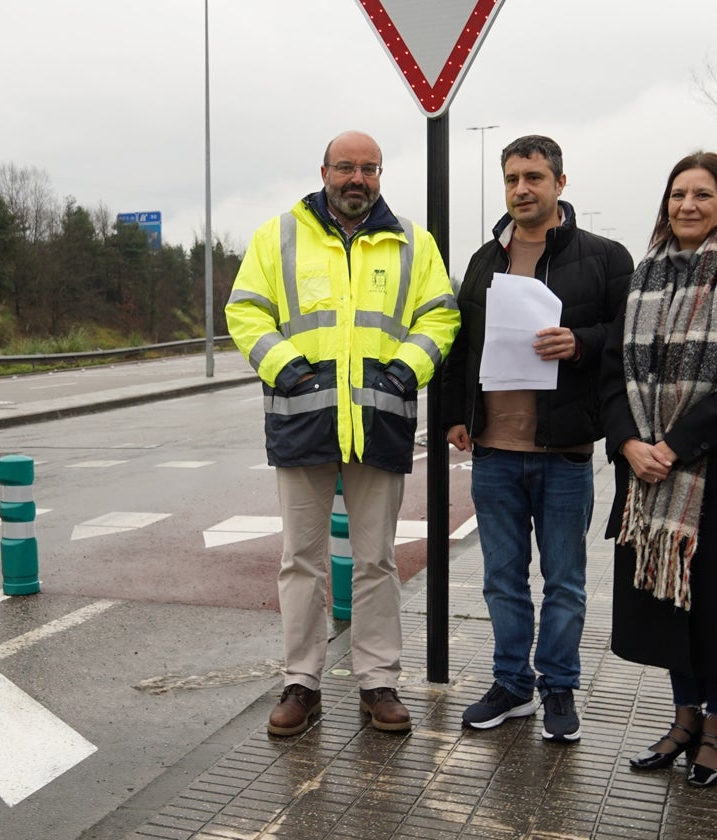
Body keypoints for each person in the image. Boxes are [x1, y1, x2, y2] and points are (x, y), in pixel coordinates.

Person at [225, 130, 460, 736]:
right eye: (346, 167)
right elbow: (245, 310)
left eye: (370, 169)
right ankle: (301, 682)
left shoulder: (413, 241)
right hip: (301, 419)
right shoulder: (277, 236)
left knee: (377, 560)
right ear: (324, 170)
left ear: (381, 175)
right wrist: (288, 371)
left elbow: (441, 313)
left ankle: (378, 681)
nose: (358, 179)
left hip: (380, 421)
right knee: (299, 561)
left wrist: (408, 370)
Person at [600, 152, 717, 787]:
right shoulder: (644, 278)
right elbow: (611, 375)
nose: (687, 206)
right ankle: (683, 720)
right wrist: (627, 444)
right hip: (646, 476)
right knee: (669, 605)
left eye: (703, 195)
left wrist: (672, 446)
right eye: (678, 194)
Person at [443, 135, 632, 742]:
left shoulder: (603, 257)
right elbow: (458, 346)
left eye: (534, 177)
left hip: (565, 452)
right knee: (501, 578)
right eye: (512, 179)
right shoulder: (483, 261)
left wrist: (580, 342)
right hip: (495, 452)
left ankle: (558, 687)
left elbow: (628, 337)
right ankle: (511, 685)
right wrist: (452, 413)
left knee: (566, 582)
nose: (521, 189)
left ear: (559, 183)